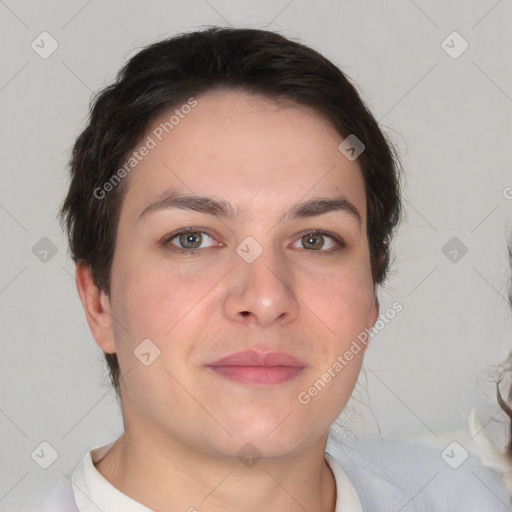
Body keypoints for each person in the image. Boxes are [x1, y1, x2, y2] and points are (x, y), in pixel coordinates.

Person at [29, 27, 508, 511]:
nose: (265, 298)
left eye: (315, 240)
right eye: (192, 239)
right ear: (98, 301)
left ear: (371, 298)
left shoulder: (472, 496)